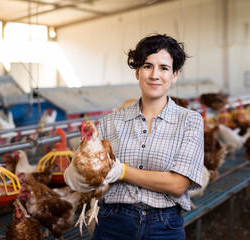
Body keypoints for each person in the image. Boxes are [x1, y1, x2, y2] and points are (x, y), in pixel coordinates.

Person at [64, 33, 204, 239]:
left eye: (164, 68)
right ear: (137, 72)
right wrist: (76, 177)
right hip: (112, 222)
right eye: (147, 66)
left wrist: (122, 171)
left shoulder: (190, 121)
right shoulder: (110, 122)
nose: (154, 74)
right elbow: (83, 170)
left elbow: (177, 185)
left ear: (174, 75)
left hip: (164, 227)